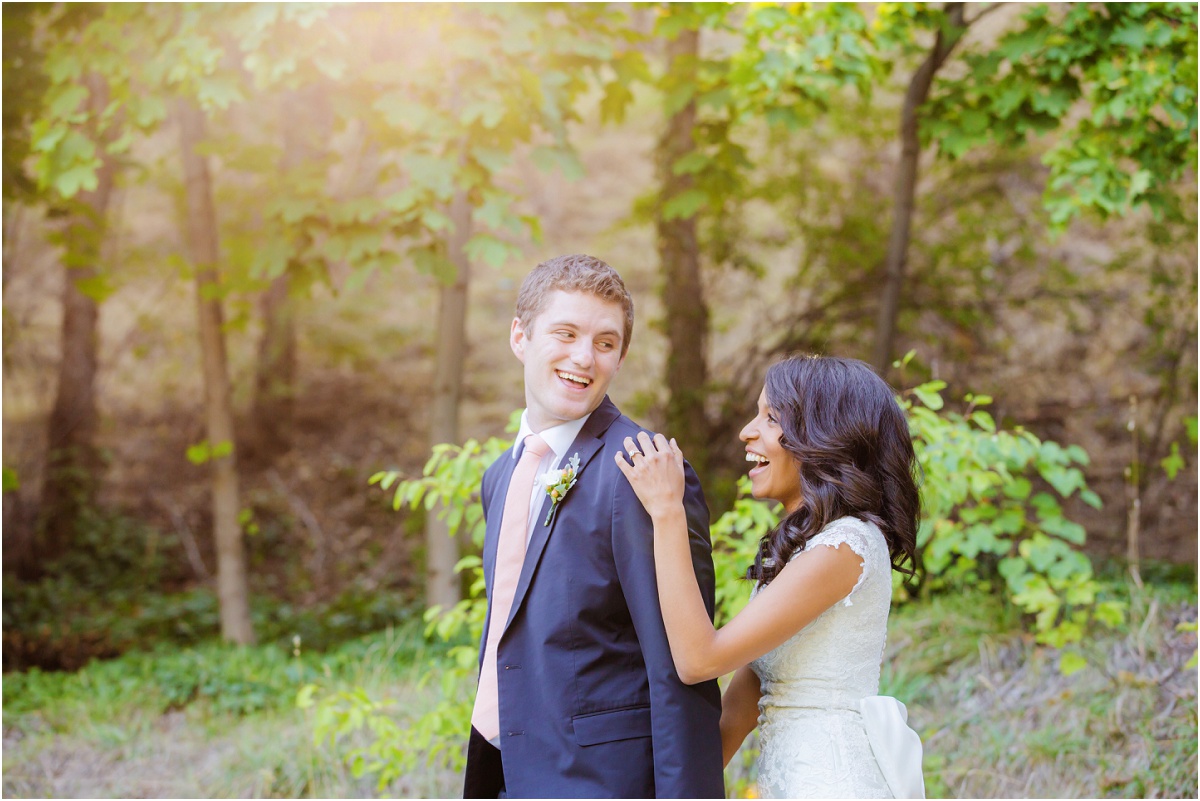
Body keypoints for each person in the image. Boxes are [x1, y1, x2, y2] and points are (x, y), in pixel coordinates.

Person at [463, 254, 724, 799]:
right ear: (520, 336)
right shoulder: (499, 478)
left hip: (602, 784)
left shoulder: (642, 470)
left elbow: (682, 670)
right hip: (504, 776)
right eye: (565, 333)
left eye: (605, 343)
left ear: (620, 357)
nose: (584, 357)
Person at [617, 354, 925, 799]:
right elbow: (739, 709)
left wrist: (667, 512)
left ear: (824, 436)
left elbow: (699, 659)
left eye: (770, 417)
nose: (747, 430)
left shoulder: (845, 547)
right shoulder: (804, 552)